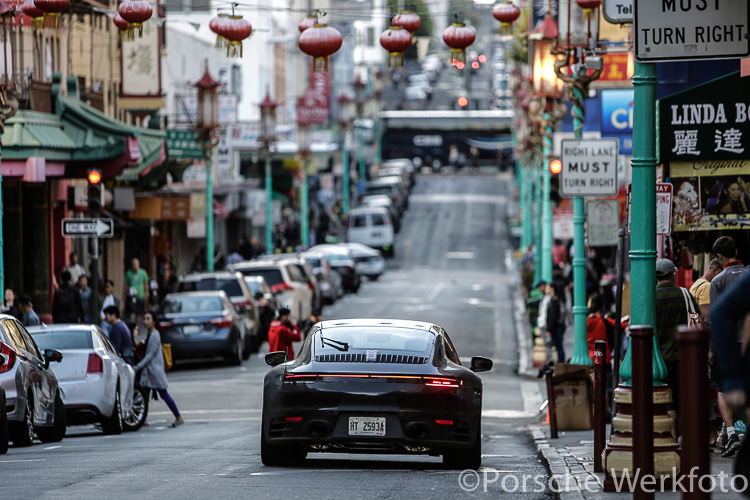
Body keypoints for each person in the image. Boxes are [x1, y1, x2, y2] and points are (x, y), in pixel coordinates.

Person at [709, 236, 749, 457]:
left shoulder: (718, 280)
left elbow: (717, 317)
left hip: (730, 342)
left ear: (719, 256)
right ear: (736, 250)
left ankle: (731, 433)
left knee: (723, 388)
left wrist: (713, 349)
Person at [654, 258, 699, 429]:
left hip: (660, 358)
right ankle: (683, 437)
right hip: (684, 357)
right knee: (683, 398)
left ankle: (671, 437)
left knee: (668, 399)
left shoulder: (651, 297)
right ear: (673, 274)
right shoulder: (685, 294)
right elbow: (698, 319)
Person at [133, 311, 183, 428]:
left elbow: (149, 355)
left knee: (163, 394)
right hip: (150, 372)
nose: (145, 321)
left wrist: (137, 367)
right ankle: (141, 418)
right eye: (145, 319)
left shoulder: (155, 335)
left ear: (154, 321)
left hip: (154, 372)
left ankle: (178, 417)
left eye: (148, 319)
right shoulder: (151, 334)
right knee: (144, 395)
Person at [689, 259, 722, 325]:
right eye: (721, 274)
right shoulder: (707, 286)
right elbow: (705, 317)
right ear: (714, 270)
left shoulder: (697, 283)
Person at [543, 283, 565, 363]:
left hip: (556, 327)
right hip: (557, 327)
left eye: (548, 288)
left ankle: (561, 364)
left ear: (552, 289)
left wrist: (549, 329)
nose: (546, 289)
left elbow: (553, 316)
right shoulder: (555, 299)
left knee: (558, 347)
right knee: (558, 346)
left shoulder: (554, 301)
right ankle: (560, 363)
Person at [124, 258, 149, 325]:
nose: (134, 266)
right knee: (132, 311)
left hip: (140, 296)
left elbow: (146, 284)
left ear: (138, 264)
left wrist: (147, 292)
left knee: (139, 313)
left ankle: (137, 325)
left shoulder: (143, 272)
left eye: (135, 264)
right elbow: (125, 285)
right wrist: (124, 294)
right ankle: (133, 324)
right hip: (131, 296)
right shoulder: (128, 273)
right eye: (133, 265)